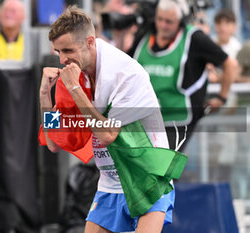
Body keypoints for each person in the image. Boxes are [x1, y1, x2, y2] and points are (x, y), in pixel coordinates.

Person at [39, 6, 186, 233]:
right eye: (58, 52)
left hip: (147, 178)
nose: (63, 60)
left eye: (68, 50)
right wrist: (45, 98)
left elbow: (107, 134)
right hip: (109, 184)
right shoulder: (73, 77)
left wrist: (76, 90)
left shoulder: (126, 74)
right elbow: (54, 142)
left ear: (89, 42)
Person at [127, 0, 238, 151]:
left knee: (164, 171)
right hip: (146, 120)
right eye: (159, 19)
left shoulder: (194, 38)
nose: (163, 25)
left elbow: (230, 64)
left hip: (178, 120)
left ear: (180, 21)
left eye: (169, 21)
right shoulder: (144, 38)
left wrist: (221, 98)